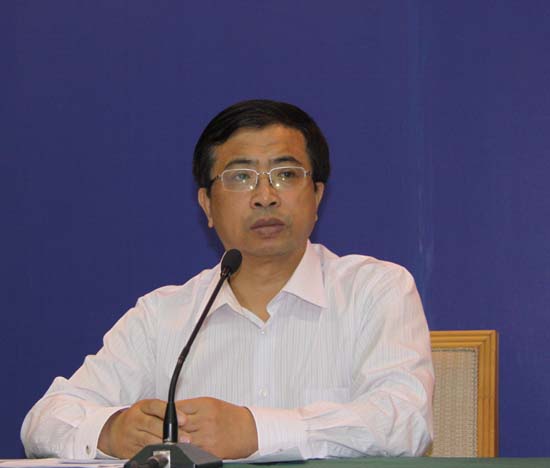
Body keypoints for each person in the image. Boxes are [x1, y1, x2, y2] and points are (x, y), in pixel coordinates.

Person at [21, 99, 434, 461]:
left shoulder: (374, 290)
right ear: (207, 204)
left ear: (317, 196)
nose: (265, 196)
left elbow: (405, 423)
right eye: (240, 177)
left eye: (286, 174)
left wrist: (256, 431)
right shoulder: (164, 315)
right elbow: (45, 420)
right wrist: (110, 431)